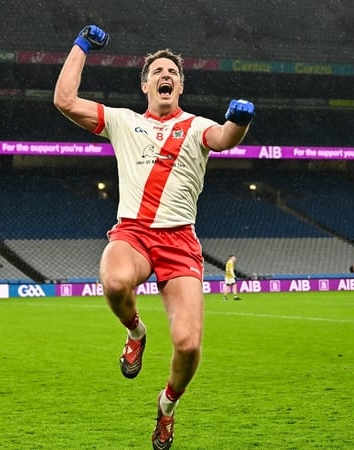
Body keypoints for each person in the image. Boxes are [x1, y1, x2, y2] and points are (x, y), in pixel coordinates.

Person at [55, 24, 255, 449]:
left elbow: (224, 139)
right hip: (134, 233)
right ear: (146, 84)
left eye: (173, 72)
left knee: (188, 345)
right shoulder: (124, 122)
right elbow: (64, 101)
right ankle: (136, 333)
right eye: (158, 71)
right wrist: (81, 45)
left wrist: (240, 120)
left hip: (180, 242)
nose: (166, 76)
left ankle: (166, 408)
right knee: (113, 281)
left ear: (180, 85)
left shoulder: (198, 126)